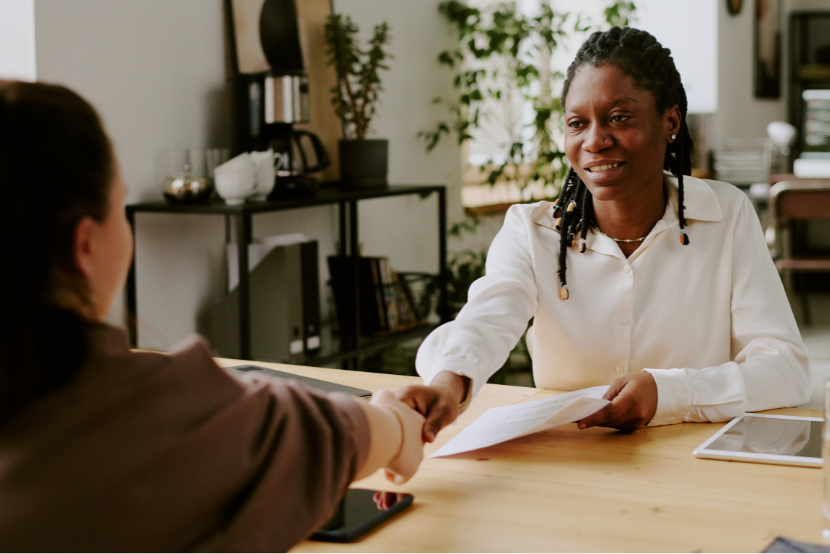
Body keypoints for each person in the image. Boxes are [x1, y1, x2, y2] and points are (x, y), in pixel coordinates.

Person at [0, 80, 426, 552]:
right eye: (118, 205)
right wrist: (397, 422)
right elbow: (333, 433)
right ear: (85, 245)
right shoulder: (166, 423)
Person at [398, 26, 810, 438]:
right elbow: (487, 320)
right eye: (577, 123)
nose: (595, 141)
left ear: (670, 121)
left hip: (689, 455)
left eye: (619, 118)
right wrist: (448, 383)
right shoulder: (532, 231)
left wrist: (667, 393)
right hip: (567, 456)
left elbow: (786, 369)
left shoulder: (726, 214)